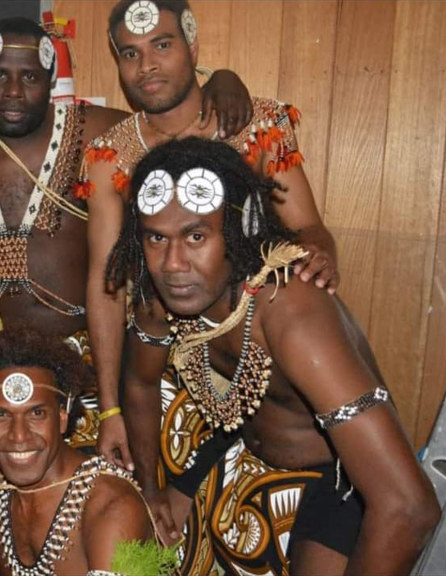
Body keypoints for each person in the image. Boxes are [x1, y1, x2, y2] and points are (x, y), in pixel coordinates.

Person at [108, 136, 439, 574]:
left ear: (238, 232)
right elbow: (140, 383)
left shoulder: (291, 313)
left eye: (196, 236)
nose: (172, 263)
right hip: (235, 448)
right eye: (155, 238)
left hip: (334, 481)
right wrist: (150, 489)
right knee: (129, 549)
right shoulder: (160, 296)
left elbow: (410, 507)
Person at [0, 16, 251, 448]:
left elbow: (171, 124)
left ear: (51, 81)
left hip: (84, 360)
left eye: (29, 77)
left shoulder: (100, 131)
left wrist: (221, 79)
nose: (12, 92)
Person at [81, 0, 340, 474]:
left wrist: (320, 251)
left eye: (162, 44)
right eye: (131, 53)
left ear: (191, 44)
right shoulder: (110, 155)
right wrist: (110, 408)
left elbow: (308, 227)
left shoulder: (257, 125)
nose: (148, 65)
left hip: (265, 359)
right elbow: (106, 280)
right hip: (161, 363)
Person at [0, 327, 172, 576]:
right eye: (1, 415)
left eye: (37, 413)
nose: (19, 436)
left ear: (62, 417)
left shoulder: (111, 508)